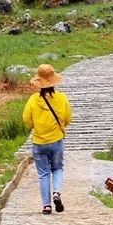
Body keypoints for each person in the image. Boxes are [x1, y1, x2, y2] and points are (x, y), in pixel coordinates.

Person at [23, 64, 72, 214]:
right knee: (57, 168)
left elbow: (27, 121)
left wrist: (36, 126)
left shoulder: (33, 100)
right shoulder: (62, 98)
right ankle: (56, 192)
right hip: (56, 141)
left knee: (43, 174)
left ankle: (46, 206)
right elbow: (68, 118)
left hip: (39, 143)